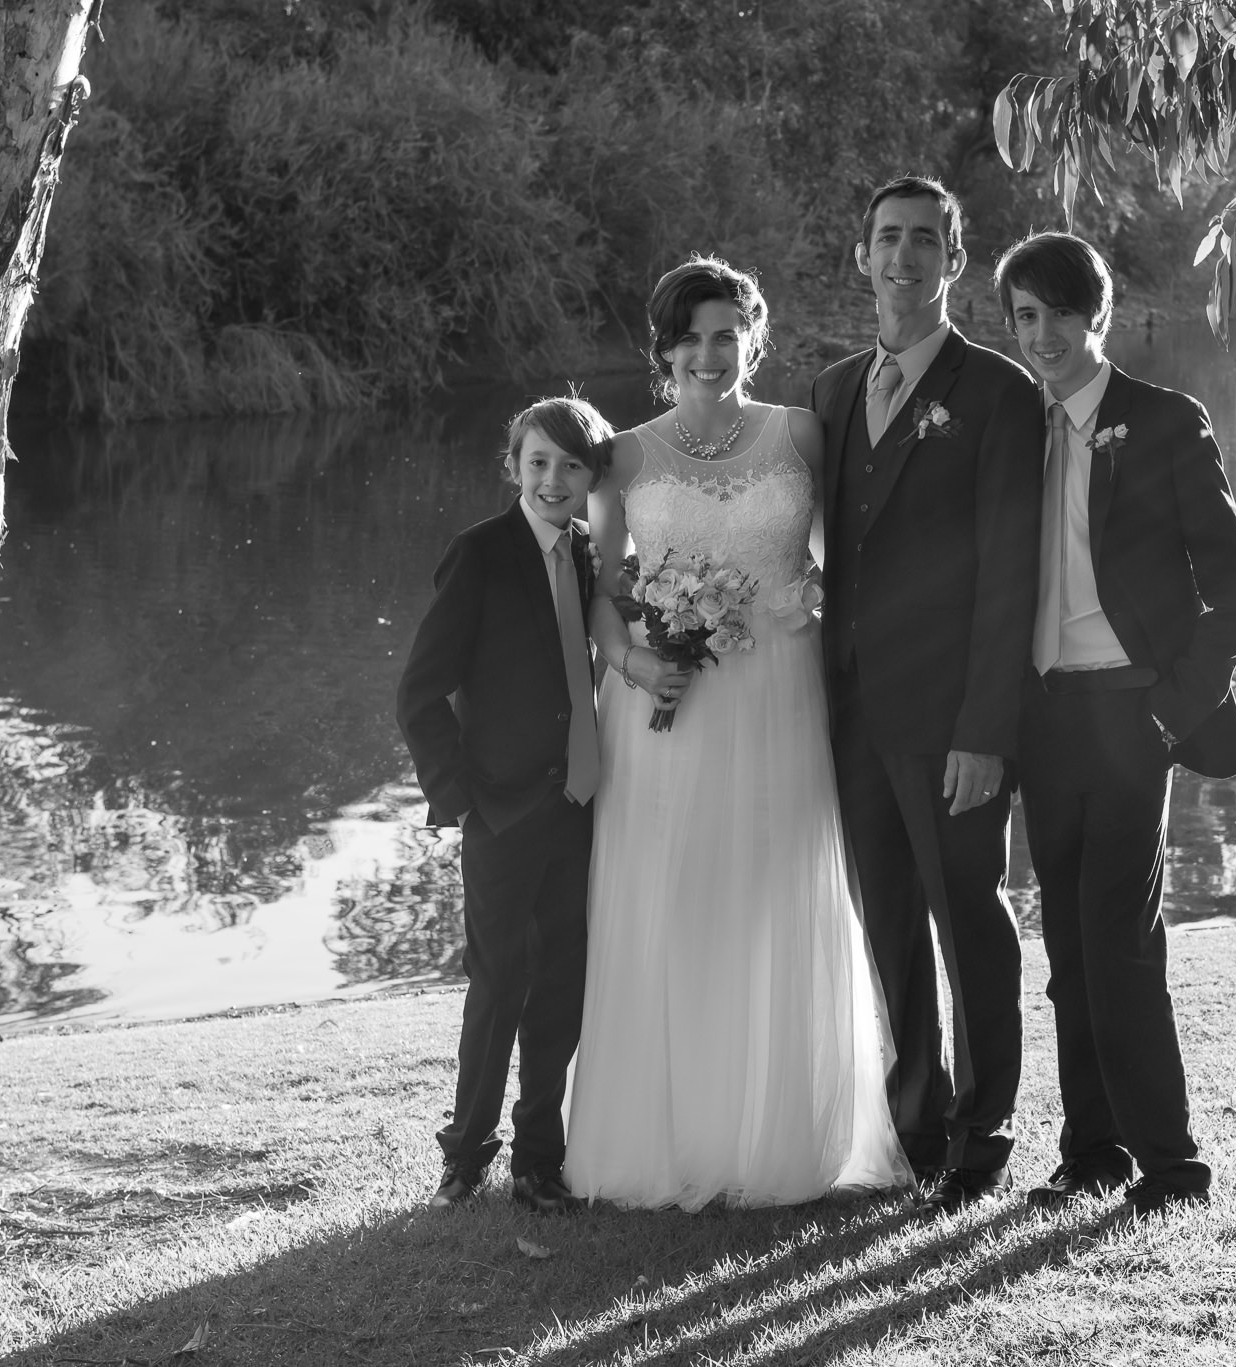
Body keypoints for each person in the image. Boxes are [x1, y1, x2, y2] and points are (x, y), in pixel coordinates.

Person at [562, 256, 909, 1209]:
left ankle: (778, 1138)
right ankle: (665, 1136)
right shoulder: (624, 456)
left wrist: (808, 601)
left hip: (779, 698)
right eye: (692, 338)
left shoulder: (801, 433)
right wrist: (635, 663)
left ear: (753, 338)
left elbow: (850, 565)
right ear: (664, 349)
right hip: (663, 709)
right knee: (673, 900)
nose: (710, 354)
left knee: (770, 890)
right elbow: (595, 594)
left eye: (727, 334)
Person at [993, 230, 1236, 1219]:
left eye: (1058, 311)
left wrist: (1165, 706)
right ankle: (1091, 1151)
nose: (1042, 333)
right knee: (1066, 943)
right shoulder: (1014, 430)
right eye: (1024, 315)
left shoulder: (1162, 421)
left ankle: (1171, 1164)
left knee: (1118, 939)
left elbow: (1234, 593)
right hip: (1042, 714)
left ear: (1091, 315)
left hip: (1128, 713)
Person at [809, 177, 1045, 1214]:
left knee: (968, 923)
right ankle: (914, 1123)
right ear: (859, 256)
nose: (901, 256)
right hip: (849, 711)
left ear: (953, 259)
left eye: (923, 241)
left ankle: (981, 1132)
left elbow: (1012, 576)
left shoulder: (997, 393)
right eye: (885, 238)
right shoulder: (824, 393)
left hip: (950, 720)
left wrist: (985, 729)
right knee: (887, 926)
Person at [394, 396, 688, 1216]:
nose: (553, 479)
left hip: (582, 803)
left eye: (570, 465)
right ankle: (466, 1153)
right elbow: (419, 692)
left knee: (562, 980)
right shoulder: (480, 554)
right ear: (514, 466)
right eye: (538, 462)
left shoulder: (594, 554)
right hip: (501, 808)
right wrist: (459, 800)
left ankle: (539, 1157)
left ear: (592, 476)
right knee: (497, 983)